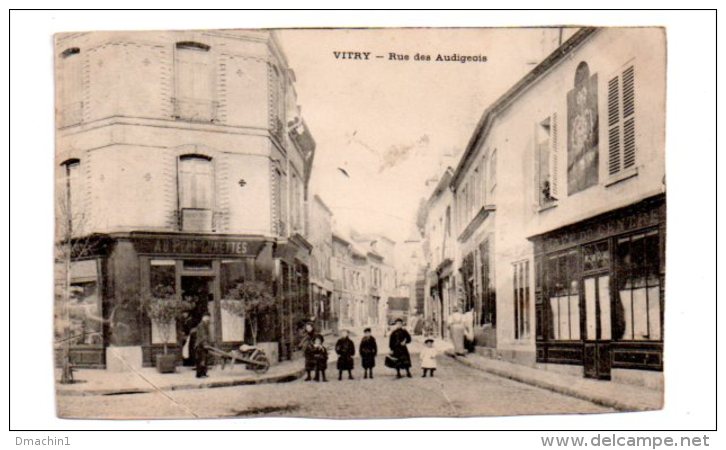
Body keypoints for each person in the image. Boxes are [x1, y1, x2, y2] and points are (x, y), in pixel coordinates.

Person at [193, 314, 211, 378]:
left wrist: (208, 343)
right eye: (207, 320)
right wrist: (205, 344)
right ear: (204, 319)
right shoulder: (201, 325)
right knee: (200, 359)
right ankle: (199, 374)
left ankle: (204, 373)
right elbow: (203, 336)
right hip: (200, 345)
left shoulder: (206, 325)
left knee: (205, 359)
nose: (208, 321)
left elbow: (207, 335)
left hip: (204, 344)